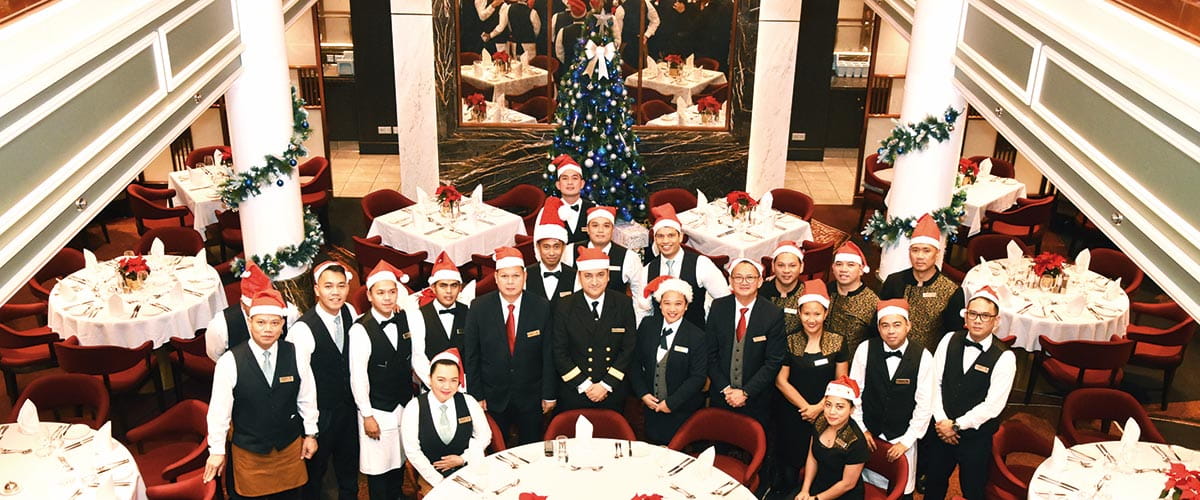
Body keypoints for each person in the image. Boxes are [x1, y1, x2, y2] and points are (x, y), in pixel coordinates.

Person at [204, 289, 318, 499]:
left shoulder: (296, 354)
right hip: (250, 452)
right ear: (249, 323)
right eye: (261, 322)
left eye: (274, 323)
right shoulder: (229, 362)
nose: (268, 329)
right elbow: (219, 412)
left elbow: (307, 398)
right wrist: (217, 450)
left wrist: (311, 433)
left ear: (283, 325)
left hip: (289, 448)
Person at [925, 286, 1016, 500]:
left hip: (976, 437)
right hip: (940, 429)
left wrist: (956, 426)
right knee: (933, 484)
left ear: (997, 321)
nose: (977, 320)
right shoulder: (949, 340)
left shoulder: (1005, 357)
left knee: (973, 489)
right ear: (965, 315)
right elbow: (934, 383)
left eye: (985, 316)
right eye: (973, 314)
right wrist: (942, 422)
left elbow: (993, 405)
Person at [464, 246, 557, 445]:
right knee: (497, 449)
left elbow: (548, 354)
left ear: (525, 276)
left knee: (531, 449)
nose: (510, 281)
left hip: (531, 397)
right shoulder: (479, 307)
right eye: (505, 276)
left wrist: (549, 393)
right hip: (492, 397)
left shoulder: (541, 307)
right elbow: (472, 356)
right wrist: (476, 395)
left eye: (515, 276)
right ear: (496, 277)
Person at [288, 261, 360, 500]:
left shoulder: (350, 312)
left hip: (348, 409)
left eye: (341, 286)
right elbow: (300, 384)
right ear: (317, 289)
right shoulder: (302, 330)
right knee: (314, 477)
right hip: (320, 413)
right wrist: (310, 429)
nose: (335, 292)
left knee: (349, 470)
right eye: (328, 286)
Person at [848, 299, 933, 499]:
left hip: (903, 437)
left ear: (908, 326)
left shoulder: (923, 357)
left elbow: (924, 405)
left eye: (897, 325)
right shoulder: (865, 349)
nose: (891, 331)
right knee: (865, 487)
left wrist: (906, 441)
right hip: (870, 436)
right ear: (878, 328)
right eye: (885, 325)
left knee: (901, 490)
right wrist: (862, 429)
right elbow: (855, 393)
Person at [773, 280, 849, 492]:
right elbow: (781, 380)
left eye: (817, 314)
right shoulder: (789, 340)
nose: (811, 319)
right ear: (799, 313)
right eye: (807, 314)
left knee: (821, 463)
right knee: (789, 461)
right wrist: (806, 407)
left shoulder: (838, 341)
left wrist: (818, 408)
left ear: (825, 314)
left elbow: (841, 382)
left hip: (827, 413)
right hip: (792, 411)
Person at [348, 262, 415, 500]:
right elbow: (358, 376)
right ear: (369, 295)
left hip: (403, 404)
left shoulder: (404, 318)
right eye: (380, 292)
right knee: (378, 469)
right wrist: (367, 415)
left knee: (398, 459)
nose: (387, 298)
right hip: (377, 408)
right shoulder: (360, 330)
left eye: (391, 291)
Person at [552, 246, 639, 411]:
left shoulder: (623, 303)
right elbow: (559, 352)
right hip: (575, 391)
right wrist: (585, 386)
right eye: (588, 276)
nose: (594, 282)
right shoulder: (565, 306)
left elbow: (628, 348)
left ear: (608, 276)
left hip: (612, 390)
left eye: (600, 275)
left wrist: (606, 385)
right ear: (579, 277)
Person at [706, 258, 785, 427]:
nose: (744, 282)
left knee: (754, 446)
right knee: (719, 440)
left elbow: (773, 361)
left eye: (750, 277)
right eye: (738, 277)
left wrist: (746, 392)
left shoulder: (773, 314)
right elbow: (710, 354)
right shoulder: (718, 307)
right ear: (730, 281)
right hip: (722, 396)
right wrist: (726, 389)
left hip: (756, 399)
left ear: (760, 281)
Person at [401, 349, 492, 495]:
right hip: (432, 477)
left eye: (453, 380)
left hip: (468, 470)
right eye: (441, 380)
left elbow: (485, 435)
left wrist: (463, 459)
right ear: (430, 378)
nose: (447, 386)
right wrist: (439, 482)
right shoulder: (414, 407)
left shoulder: (468, 401)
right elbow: (412, 450)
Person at [630, 276, 708, 444]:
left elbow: (698, 377)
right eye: (667, 303)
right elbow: (634, 363)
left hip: (682, 411)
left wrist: (671, 403)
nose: (672, 309)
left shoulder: (697, 336)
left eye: (678, 303)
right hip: (650, 410)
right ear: (660, 304)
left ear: (686, 306)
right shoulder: (647, 326)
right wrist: (643, 393)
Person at [879, 214, 965, 352]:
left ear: (937, 253)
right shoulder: (894, 282)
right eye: (915, 250)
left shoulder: (951, 291)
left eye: (926, 251)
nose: (920, 256)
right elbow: (879, 321)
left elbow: (953, 338)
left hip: (929, 360)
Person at [643, 203, 729, 328]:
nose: (666, 241)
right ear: (655, 239)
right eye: (660, 236)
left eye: (671, 235)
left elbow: (724, 302)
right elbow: (644, 309)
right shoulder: (648, 270)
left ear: (681, 237)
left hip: (696, 338)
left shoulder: (701, 264)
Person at [793, 376, 869, 500]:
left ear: (852, 409)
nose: (831, 412)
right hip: (818, 484)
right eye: (828, 405)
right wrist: (805, 490)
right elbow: (812, 456)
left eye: (839, 407)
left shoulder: (856, 442)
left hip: (843, 494)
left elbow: (847, 484)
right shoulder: (820, 421)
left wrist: (816, 499)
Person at [206, 263, 299, 362]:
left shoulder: (290, 313)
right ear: (242, 303)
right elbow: (216, 355)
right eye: (253, 307)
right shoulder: (220, 325)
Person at [410, 252, 470, 390]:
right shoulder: (418, 315)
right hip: (431, 387)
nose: (449, 291)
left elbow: (474, 353)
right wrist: (437, 386)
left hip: (463, 386)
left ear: (460, 288)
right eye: (443, 285)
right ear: (433, 288)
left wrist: (460, 385)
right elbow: (418, 357)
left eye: (454, 286)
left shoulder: (469, 312)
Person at [564, 206, 647, 306]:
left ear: (613, 229)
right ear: (588, 229)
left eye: (606, 226)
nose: (600, 230)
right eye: (595, 225)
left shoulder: (628, 257)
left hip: (615, 317)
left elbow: (640, 295)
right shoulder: (570, 251)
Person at [825, 241, 879, 349]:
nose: (843, 269)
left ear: (861, 270)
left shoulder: (872, 302)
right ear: (833, 268)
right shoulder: (826, 290)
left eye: (850, 265)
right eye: (839, 264)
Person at [526, 197, 578, 304]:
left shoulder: (575, 276)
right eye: (546, 247)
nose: (551, 253)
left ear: (563, 247)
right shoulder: (525, 274)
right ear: (538, 247)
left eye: (556, 246)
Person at [537, 154, 594, 243]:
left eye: (574, 178)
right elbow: (539, 244)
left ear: (582, 184)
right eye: (565, 178)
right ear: (558, 185)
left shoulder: (593, 210)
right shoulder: (547, 210)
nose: (570, 182)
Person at [760, 240, 807, 335]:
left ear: (801, 267)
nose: (786, 270)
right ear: (773, 266)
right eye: (781, 265)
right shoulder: (761, 292)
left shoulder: (806, 294)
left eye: (792, 265)